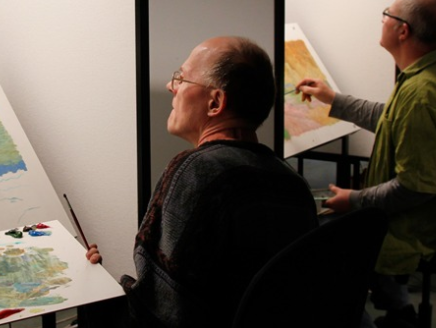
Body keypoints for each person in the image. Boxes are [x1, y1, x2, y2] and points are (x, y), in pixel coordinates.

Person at [84, 36, 318, 328]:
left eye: (181, 78)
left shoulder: (197, 172)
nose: (171, 86)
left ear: (215, 102)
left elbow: (157, 313)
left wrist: (95, 293)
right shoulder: (294, 184)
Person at [295, 0, 436, 328]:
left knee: (316, 238)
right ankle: (399, 310)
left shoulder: (423, 94)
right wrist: (332, 98)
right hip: (426, 214)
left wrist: (355, 200)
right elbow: (392, 118)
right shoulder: (434, 74)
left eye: (386, 15)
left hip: (414, 226)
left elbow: (415, 187)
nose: (381, 20)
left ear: (402, 30)